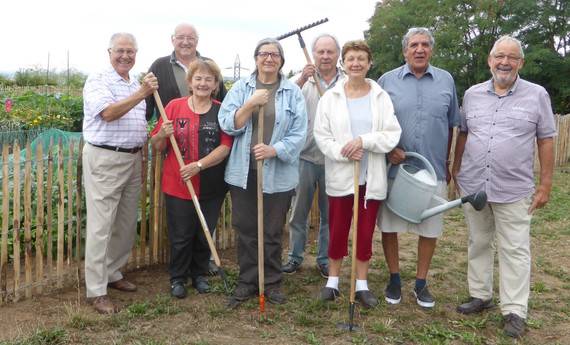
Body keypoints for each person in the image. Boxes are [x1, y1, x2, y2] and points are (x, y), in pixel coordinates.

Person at [452, 35, 556, 338]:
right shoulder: (472, 94)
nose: (505, 62)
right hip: (474, 184)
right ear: (489, 60)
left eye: (512, 57)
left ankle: (514, 310)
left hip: (514, 188)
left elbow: (546, 139)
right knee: (479, 241)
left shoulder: (537, 95)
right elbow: (464, 133)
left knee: (515, 249)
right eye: (499, 56)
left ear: (520, 63)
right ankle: (480, 295)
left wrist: (546, 184)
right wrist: (456, 167)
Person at [218, 38, 307, 308]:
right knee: (245, 228)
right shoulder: (241, 89)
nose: (269, 58)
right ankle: (247, 281)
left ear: (281, 60)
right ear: (255, 58)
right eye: (263, 54)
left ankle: (271, 282)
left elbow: (300, 132)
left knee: (271, 230)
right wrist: (249, 105)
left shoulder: (292, 91)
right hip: (244, 172)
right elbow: (226, 122)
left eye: (274, 54)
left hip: (277, 173)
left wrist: (274, 150)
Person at [377, 27, 460, 308]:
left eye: (425, 44)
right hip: (394, 170)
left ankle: (421, 283)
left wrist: (448, 162)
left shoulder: (446, 80)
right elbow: (376, 124)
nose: (420, 49)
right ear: (405, 50)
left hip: (432, 169)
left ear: (431, 50)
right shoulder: (387, 81)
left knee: (430, 227)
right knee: (389, 226)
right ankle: (395, 278)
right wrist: (388, 149)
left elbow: (451, 125)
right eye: (414, 45)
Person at [314, 40, 401, 308]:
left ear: (369, 63)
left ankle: (361, 285)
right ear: (344, 63)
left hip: (370, 177)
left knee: (364, 232)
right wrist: (344, 151)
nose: (356, 64)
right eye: (351, 59)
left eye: (361, 59)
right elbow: (321, 135)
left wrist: (363, 141)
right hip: (342, 176)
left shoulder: (379, 96)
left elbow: (391, 134)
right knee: (338, 230)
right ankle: (333, 282)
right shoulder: (331, 97)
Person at [82, 33, 158, 314]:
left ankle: (113, 272)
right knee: (102, 226)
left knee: (126, 222)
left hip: (131, 159)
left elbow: (136, 123)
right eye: (120, 51)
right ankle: (96, 290)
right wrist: (142, 93)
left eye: (131, 51)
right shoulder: (99, 80)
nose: (126, 56)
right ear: (109, 52)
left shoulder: (131, 82)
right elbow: (108, 114)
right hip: (105, 158)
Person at [145, 23, 227, 275]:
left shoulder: (220, 109)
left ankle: (199, 274)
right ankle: (178, 277)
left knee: (204, 233)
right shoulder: (173, 105)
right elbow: (157, 142)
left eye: (208, 80)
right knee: (181, 234)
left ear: (215, 84)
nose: (203, 83)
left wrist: (200, 165)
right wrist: (161, 133)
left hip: (211, 179)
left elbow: (226, 144)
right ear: (190, 82)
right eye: (198, 79)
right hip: (178, 178)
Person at [282, 34, 344, 278]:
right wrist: (301, 78)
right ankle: (294, 257)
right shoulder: (303, 82)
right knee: (298, 211)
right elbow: (283, 99)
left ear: (337, 55)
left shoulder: (347, 82)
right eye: (321, 52)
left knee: (331, 214)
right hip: (305, 157)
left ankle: (325, 259)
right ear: (314, 54)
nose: (325, 56)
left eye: (330, 52)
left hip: (334, 159)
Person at [145, 23, 226, 119]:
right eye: (180, 37)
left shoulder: (209, 65)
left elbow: (224, 101)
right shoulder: (159, 66)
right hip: (171, 132)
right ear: (172, 40)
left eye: (190, 38)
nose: (185, 42)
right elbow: (146, 107)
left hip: (207, 130)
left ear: (197, 41)